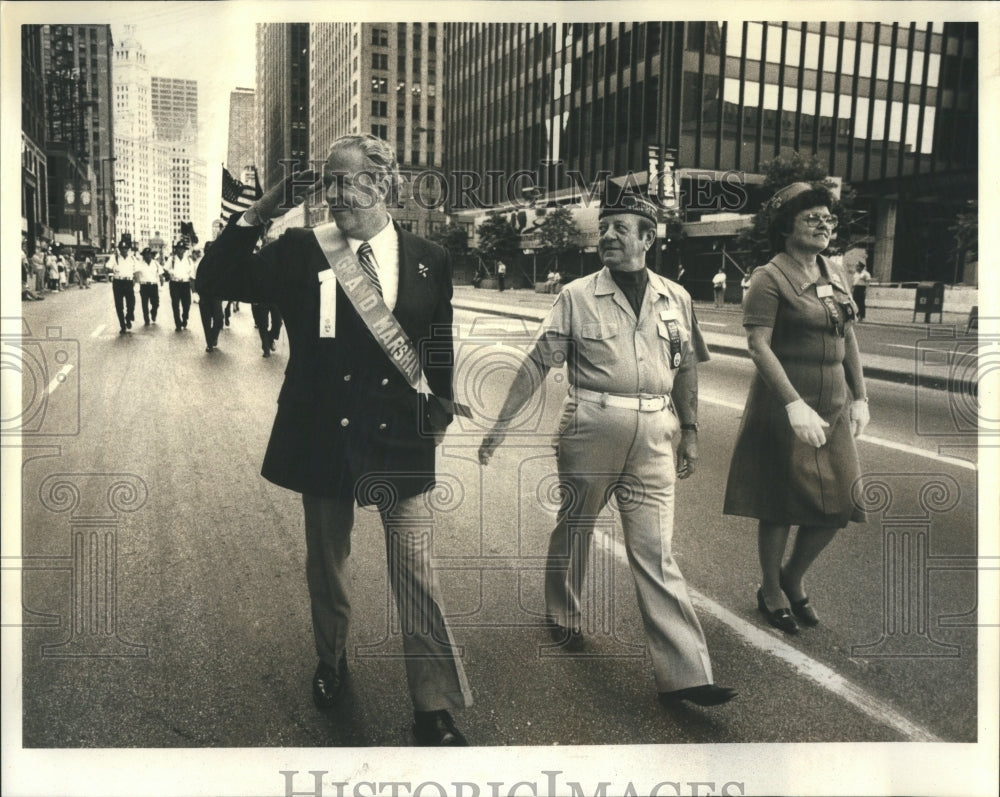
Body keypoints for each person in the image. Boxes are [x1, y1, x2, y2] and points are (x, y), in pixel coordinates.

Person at [196, 134, 472, 745]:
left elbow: (438, 343)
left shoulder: (429, 257)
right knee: (328, 564)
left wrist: (440, 412)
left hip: (400, 439)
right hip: (323, 432)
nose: (337, 193)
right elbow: (213, 279)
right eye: (329, 181)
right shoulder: (301, 249)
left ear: (385, 184)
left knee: (417, 571)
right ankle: (332, 659)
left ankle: (433, 705)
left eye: (349, 180)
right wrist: (265, 207)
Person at [478, 192, 737, 709]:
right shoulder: (576, 296)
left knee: (655, 550)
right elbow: (539, 362)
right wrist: (500, 425)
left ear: (648, 238)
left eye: (623, 228)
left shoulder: (676, 297)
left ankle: (685, 673)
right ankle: (563, 612)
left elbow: (686, 367)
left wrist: (691, 430)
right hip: (592, 424)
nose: (610, 236)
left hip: (656, 430)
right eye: (606, 227)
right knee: (576, 526)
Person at [723, 182, 869, 635]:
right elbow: (757, 346)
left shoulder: (835, 270)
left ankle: (792, 577)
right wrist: (793, 404)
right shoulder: (770, 277)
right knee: (781, 503)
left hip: (834, 406)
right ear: (786, 226)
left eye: (828, 218)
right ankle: (771, 590)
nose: (824, 225)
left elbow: (847, 336)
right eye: (812, 218)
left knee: (842, 501)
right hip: (785, 404)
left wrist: (861, 395)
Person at [165, 240, 195, 331]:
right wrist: (170, 273)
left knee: (187, 304)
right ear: (176, 250)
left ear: (185, 250)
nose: (180, 250)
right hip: (175, 284)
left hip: (185, 284)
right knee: (175, 304)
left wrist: (193, 289)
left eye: (182, 249)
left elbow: (192, 275)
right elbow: (165, 269)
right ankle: (178, 323)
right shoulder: (172, 259)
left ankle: (185, 317)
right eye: (179, 249)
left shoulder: (189, 260)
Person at [110, 239, 139, 334]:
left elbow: (136, 272)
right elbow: (107, 267)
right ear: (119, 249)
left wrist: (136, 281)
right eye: (122, 248)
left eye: (125, 248)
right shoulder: (114, 258)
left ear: (128, 249)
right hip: (118, 282)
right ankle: (122, 325)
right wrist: (112, 271)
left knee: (131, 303)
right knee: (119, 305)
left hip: (128, 283)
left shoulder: (133, 259)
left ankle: (128, 317)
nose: (124, 250)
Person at [135, 247, 161, 325]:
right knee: (144, 304)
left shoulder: (155, 263)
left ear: (151, 255)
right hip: (144, 286)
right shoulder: (140, 264)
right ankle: (146, 319)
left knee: (156, 303)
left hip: (153, 286)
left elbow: (160, 273)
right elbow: (136, 273)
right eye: (145, 255)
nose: (147, 256)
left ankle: (153, 312)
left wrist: (162, 279)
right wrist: (137, 281)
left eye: (149, 254)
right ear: (143, 256)